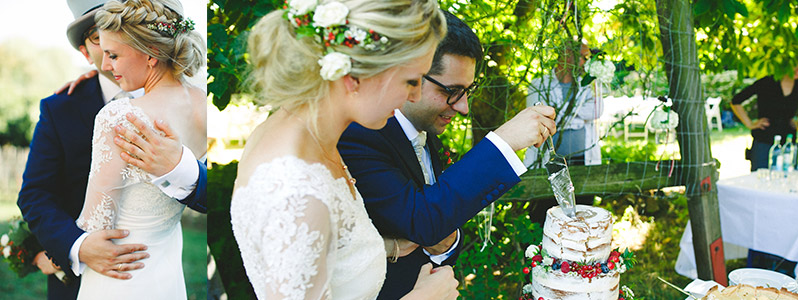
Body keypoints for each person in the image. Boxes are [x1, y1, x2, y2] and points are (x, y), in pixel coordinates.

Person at [229, 1, 458, 299]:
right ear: (356, 76)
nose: (414, 96)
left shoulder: (304, 132)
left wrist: (384, 248)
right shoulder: (295, 191)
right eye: (411, 81)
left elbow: (324, 245)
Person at [338, 11, 557, 299]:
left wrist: (449, 241)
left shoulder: (425, 134)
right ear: (413, 74)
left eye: (468, 90)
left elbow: (439, 220)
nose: (464, 107)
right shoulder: (359, 136)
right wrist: (504, 142)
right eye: (452, 91)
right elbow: (425, 221)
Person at [17, 0, 206, 299]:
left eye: (114, 50)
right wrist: (73, 247)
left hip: (142, 275)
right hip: (107, 277)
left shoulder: (129, 110)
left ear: (148, 45)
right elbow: (34, 194)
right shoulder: (61, 106)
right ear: (84, 51)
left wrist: (181, 168)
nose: (107, 61)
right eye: (98, 38)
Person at [524, 40, 604, 168]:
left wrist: (559, 111)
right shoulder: (539, 85)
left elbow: (597, 111)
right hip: (549, 160)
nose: (586, 63)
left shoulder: (588, 85)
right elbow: (536, 119)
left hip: (584, 159)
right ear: (567, 55)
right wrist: (579, 117)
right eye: (584, 57)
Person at [732, 67, 798, 171]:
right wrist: (750, 124)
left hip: (788, 142)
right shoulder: (766, 82)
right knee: (759, 178)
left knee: (786, 180)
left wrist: (797, 121)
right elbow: (736, 101)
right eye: (796, 67)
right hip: (764, 141)